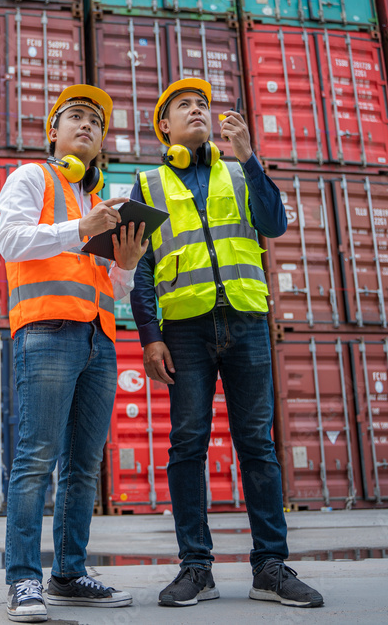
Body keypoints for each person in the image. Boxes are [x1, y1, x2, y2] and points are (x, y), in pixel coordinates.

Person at [129, 78, 324, 608]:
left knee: (256, 444)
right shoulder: (145, 185)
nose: (197, 111)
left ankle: (270, 567)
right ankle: (196, 569)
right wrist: (150, 339)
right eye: (183, 107)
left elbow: (275, 224)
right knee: (187, 445)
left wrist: (251, 157)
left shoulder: (241, 172)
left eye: (203, 105)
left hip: (246, 323)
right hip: (185, 331)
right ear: (163, 127)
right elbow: (140, 272)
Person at [0, 84, 146, 622]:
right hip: (46, 331)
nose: (88, 126)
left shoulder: (103, 198)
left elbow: (116, 287)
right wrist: (77, 229)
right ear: (53, 132)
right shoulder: (31, 178)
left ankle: (69, 572)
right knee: (36, 459)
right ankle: (22, 580)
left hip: (100, 338)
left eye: (96, 122)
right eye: (76, 117)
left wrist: (126, 262)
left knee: (83, 465)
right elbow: (10, 240)